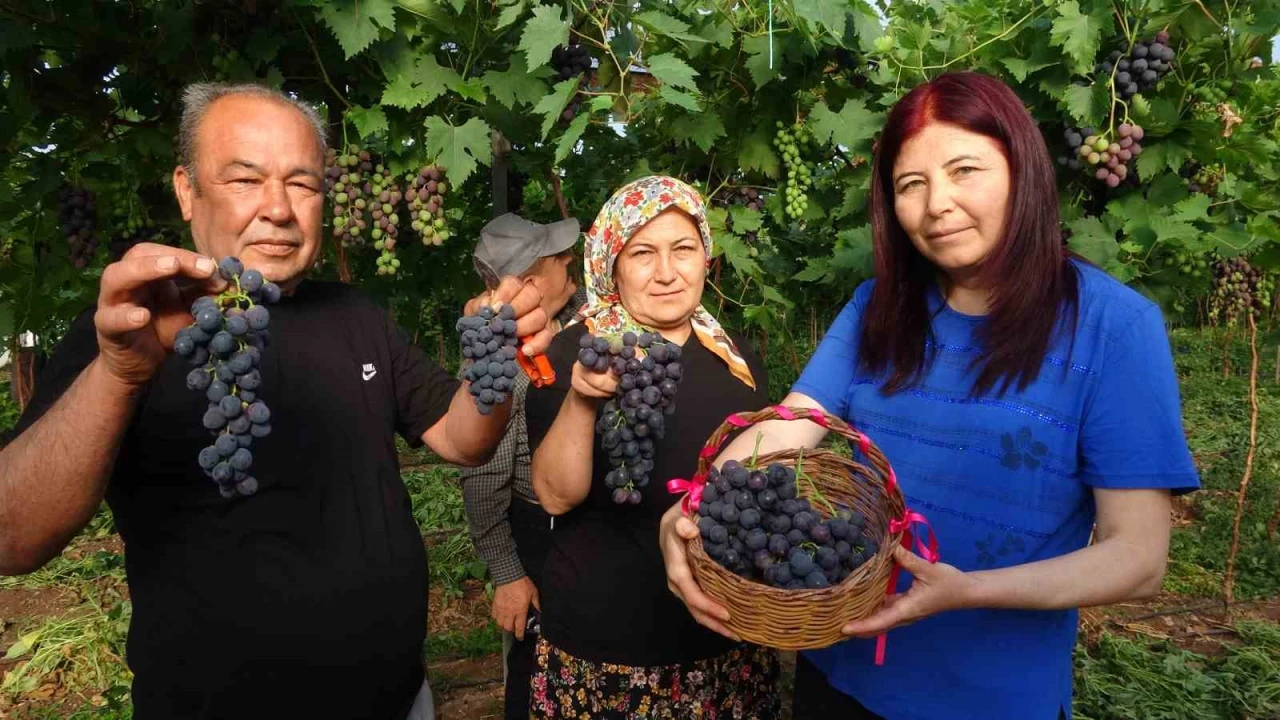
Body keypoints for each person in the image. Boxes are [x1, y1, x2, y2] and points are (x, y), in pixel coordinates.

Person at [0, 82, 553, 720]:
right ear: (187, 190)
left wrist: (493, 357)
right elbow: (14, 541)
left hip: (399, 703)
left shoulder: (358, 317)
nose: (279, 209)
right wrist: (121, 374)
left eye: (303, 183)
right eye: (244, 179)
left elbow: (463, 441)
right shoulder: (127, 333)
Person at [659, 71, 1200, 720]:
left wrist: (966, 591)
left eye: (964, 169)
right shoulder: (877, 310)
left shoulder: (1114, 326)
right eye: (910, 184)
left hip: (990, 699)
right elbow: (795, 420)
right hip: (837, 675)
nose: (936, 203)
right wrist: (696, 505)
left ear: (1021, 170)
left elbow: (1137, 558)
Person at [522, 175, 780, 718]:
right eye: (643, 253)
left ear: (706, 258)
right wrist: (582, 400)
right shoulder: (578, 352)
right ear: (612, 264)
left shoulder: (735, 358)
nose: (667, 272)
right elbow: (554, 497)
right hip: (611, 650)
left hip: (724, 639)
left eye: (683, 249)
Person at [460, 212, 585, 720]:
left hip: (592, 527)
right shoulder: (500, 358)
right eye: (560, 258)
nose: (571, 260)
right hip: (539, 539)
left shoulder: (583, 321)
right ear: (530, 281)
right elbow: (484, 473)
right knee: (538, 680)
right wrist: (509, 574)